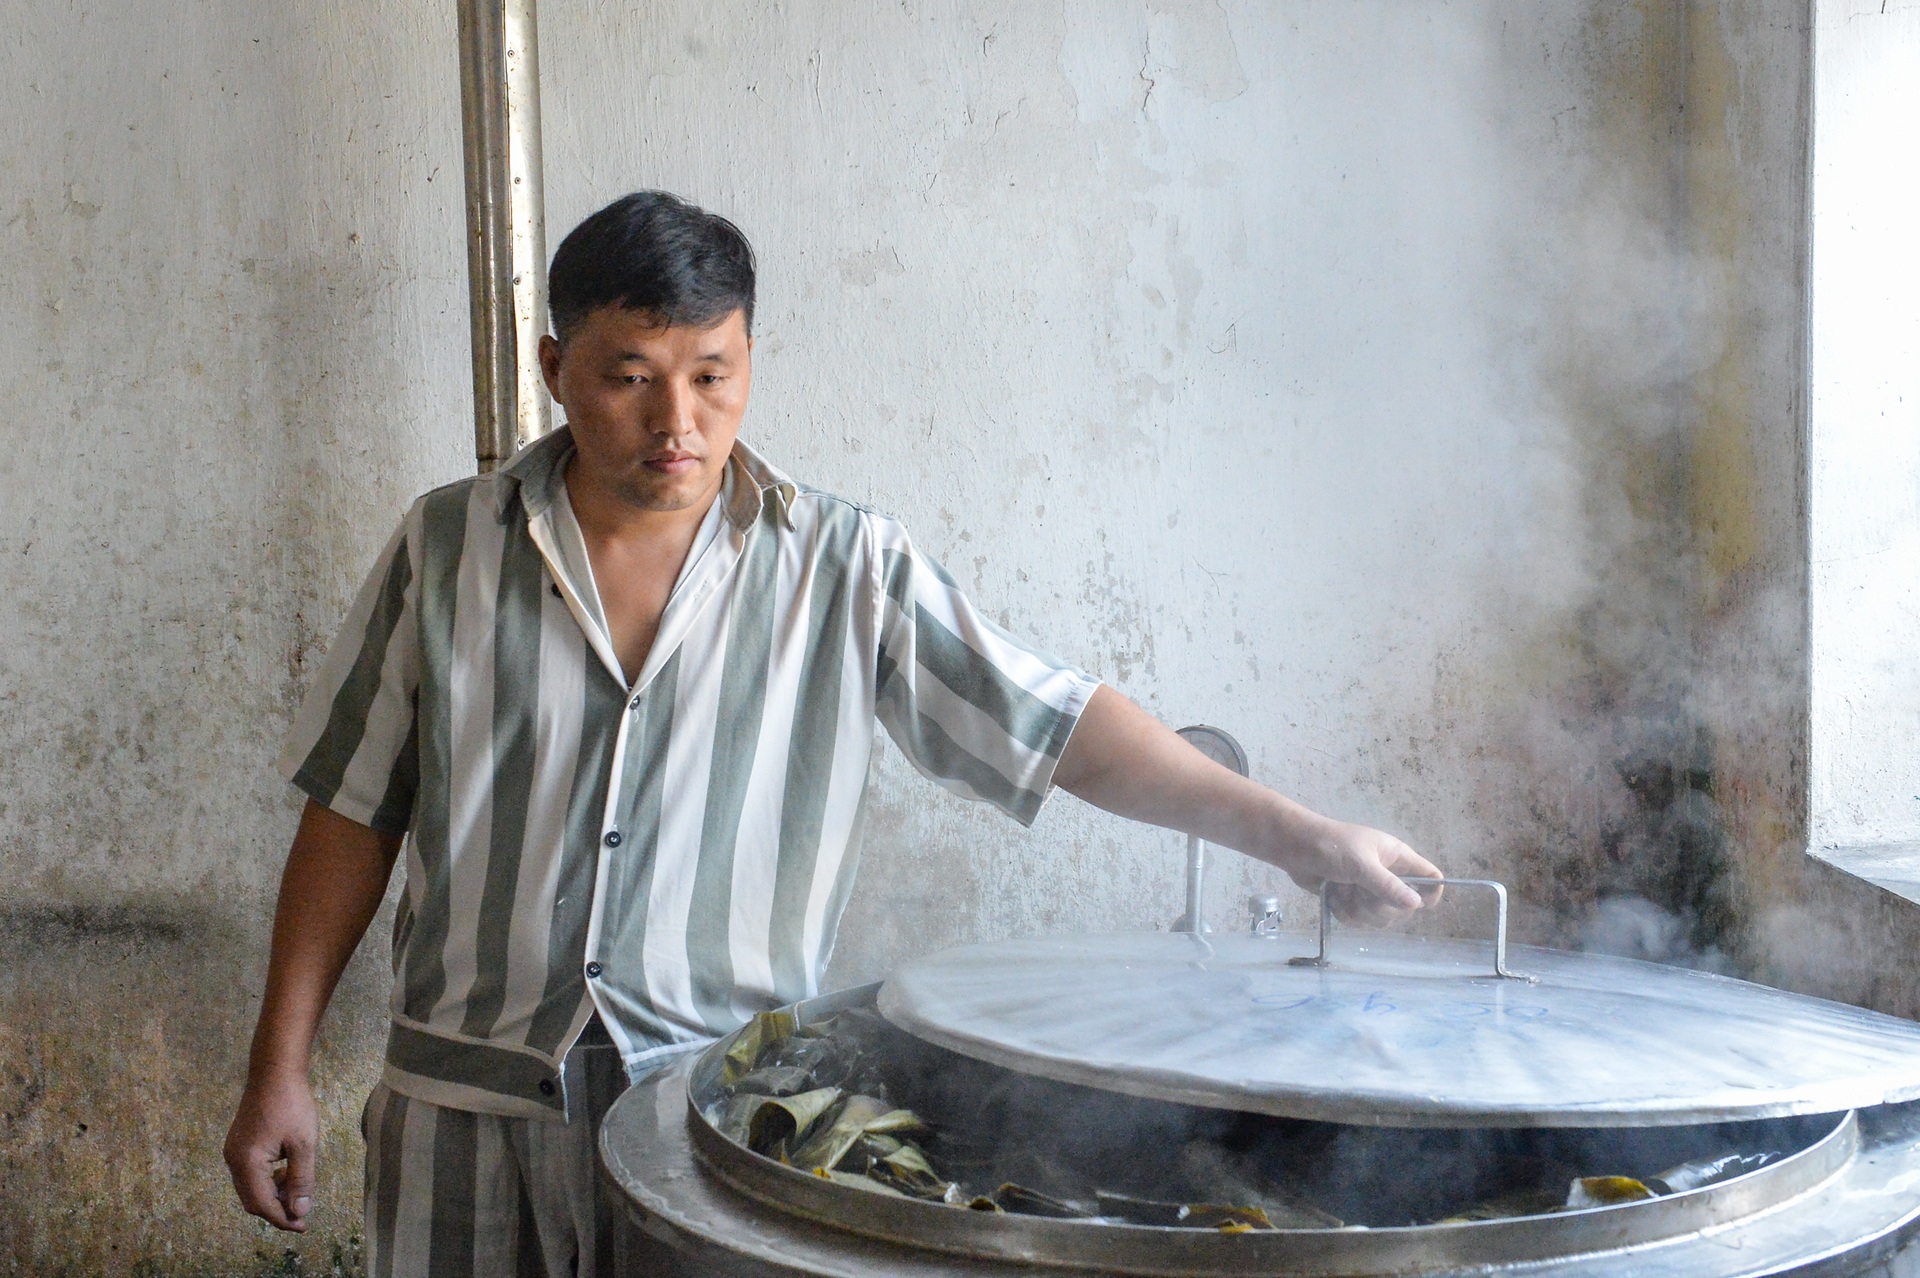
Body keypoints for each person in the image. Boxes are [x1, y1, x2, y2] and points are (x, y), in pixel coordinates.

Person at [223, 190, 1441, 1276]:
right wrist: (279, 1066)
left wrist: (1295, 835)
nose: (677, 420)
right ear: (554, 365)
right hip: (465, 1115)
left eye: (712, 373)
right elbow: (352, 814)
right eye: (629, 374)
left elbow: (1059, 728)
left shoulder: (847, 566)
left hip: (723, 1123)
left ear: (750, 360)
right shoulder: (444, 550)